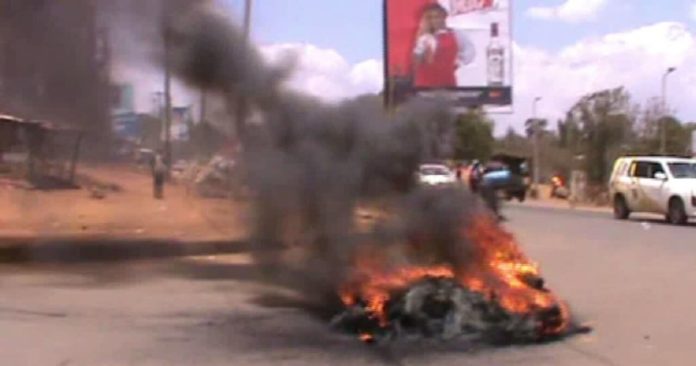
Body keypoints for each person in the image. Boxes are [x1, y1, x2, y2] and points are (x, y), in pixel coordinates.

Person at [412, 3, 460, 88]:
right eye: (430, 18)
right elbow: (416, 64)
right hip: (425, 88)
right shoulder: (424, 39)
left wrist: (455, 64)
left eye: (437, 16)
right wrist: (421, 43)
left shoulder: (455, 34)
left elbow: (468, 53)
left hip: (448, 86)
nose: (434, 20)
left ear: (444, 17)